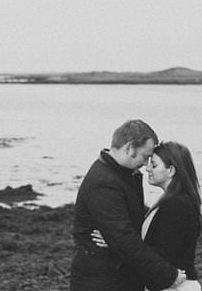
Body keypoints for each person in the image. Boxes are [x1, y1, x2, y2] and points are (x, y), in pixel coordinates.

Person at [70, 119, 188, 291]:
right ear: (129, 148)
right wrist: (169, 275)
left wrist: (116, 237)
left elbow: (126, 228)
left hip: (117, 274)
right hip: (100, 279)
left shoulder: (124, 174)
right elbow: (124, 239)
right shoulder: (104, 182)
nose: (146, 164)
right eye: (145, 156)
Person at [91, 141, 202, 290]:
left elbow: (160, 255)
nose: (147, 168)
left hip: (175, 286)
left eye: (154, 165)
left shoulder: (176, 205)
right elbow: (153, 243)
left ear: (171, 171)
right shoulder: (175, 201)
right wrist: (116, 239)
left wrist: (116, 246)